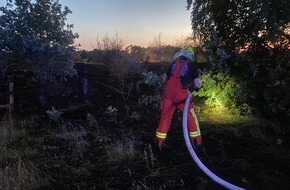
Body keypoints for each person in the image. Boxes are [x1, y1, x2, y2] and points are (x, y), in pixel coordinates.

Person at [155, 46, 202, 151]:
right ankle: (196, 143)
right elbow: (197, 84)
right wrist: (191, 89)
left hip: (167, 95)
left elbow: (164, 80)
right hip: (181, 96)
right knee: (190, 116)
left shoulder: (172, 64)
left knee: (164, 118)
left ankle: (159, 144)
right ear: (191, 56)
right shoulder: (191, 65)